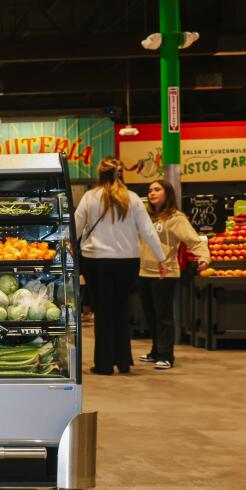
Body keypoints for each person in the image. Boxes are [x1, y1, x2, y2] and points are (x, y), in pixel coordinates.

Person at [74, 159, 167, 375]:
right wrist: (161, 258)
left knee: (103, 312)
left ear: (100, 174)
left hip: (96, 261)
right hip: (128, 261)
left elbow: (75, 229)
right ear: (121, 173)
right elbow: (148, 231)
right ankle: (123, 362)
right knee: (122, 309)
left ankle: (104, 364)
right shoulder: (133, 199)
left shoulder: (90, 197)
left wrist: (63, 250)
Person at [138, 180, 210, 370]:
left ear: (167, 193)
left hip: (166, 272)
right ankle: (155, 351)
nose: (152, 193)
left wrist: (204, 256)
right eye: (150, 190)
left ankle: (166, 355)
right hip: (143, 271)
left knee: (164, 316)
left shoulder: (176, 217)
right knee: (150, 315)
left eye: (157, 189)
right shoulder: (145, 216)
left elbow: (193, 240)